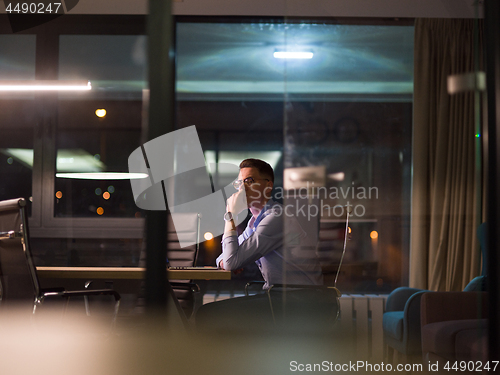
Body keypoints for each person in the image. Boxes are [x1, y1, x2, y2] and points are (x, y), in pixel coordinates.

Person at [195, 159, 337, 333]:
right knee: (210, 313)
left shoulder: (276, 218)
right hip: (279, 297)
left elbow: (231, 261)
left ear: (268, 186)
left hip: (299, 301)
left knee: (207, 313)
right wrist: (228, 261)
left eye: (249, 181)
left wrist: (230, 215)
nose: (242, 188)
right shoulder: (255, 222)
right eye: (239, 183)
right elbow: (224, 258)